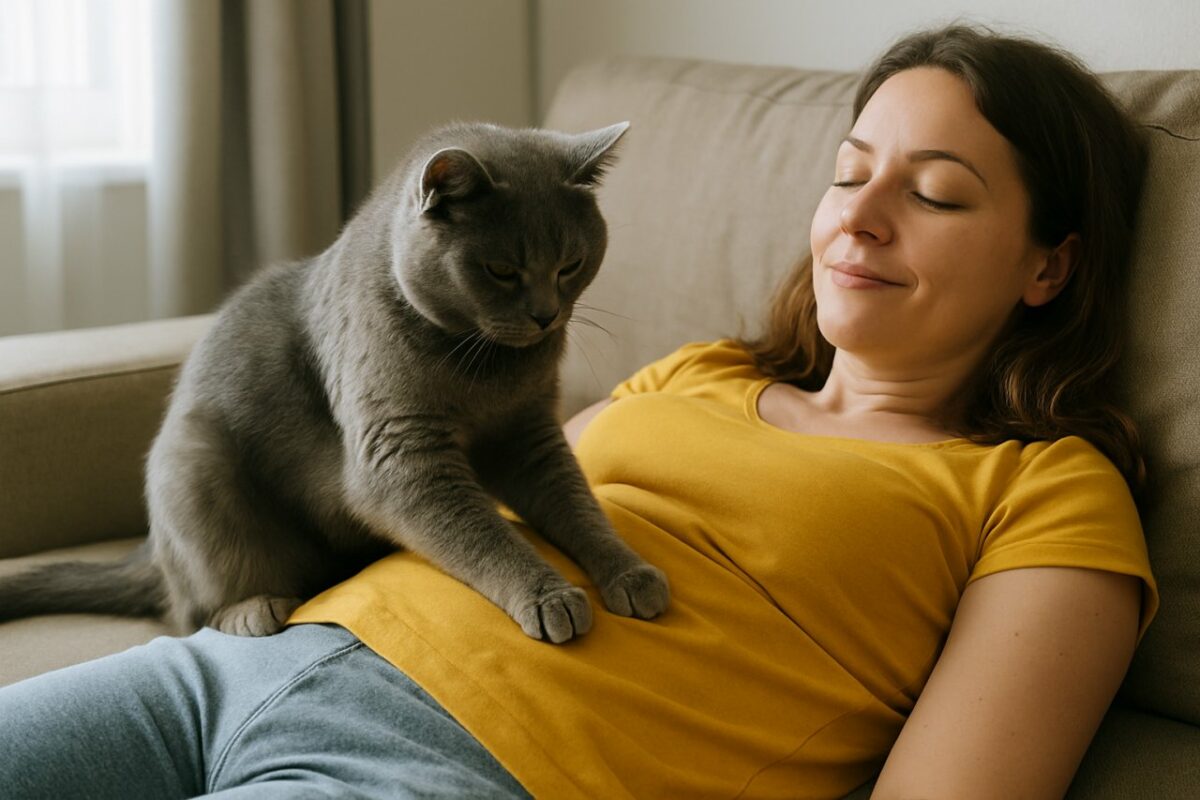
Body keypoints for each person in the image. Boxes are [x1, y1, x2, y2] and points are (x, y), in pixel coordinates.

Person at [0, 23, 1158, 800]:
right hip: (256, 659)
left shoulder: (1042, 491)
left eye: (937, 192)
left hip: (453, 761)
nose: (859, 219)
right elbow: (466, 485)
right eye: (849, 172)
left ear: (1046, 267)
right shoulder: (698, 371)